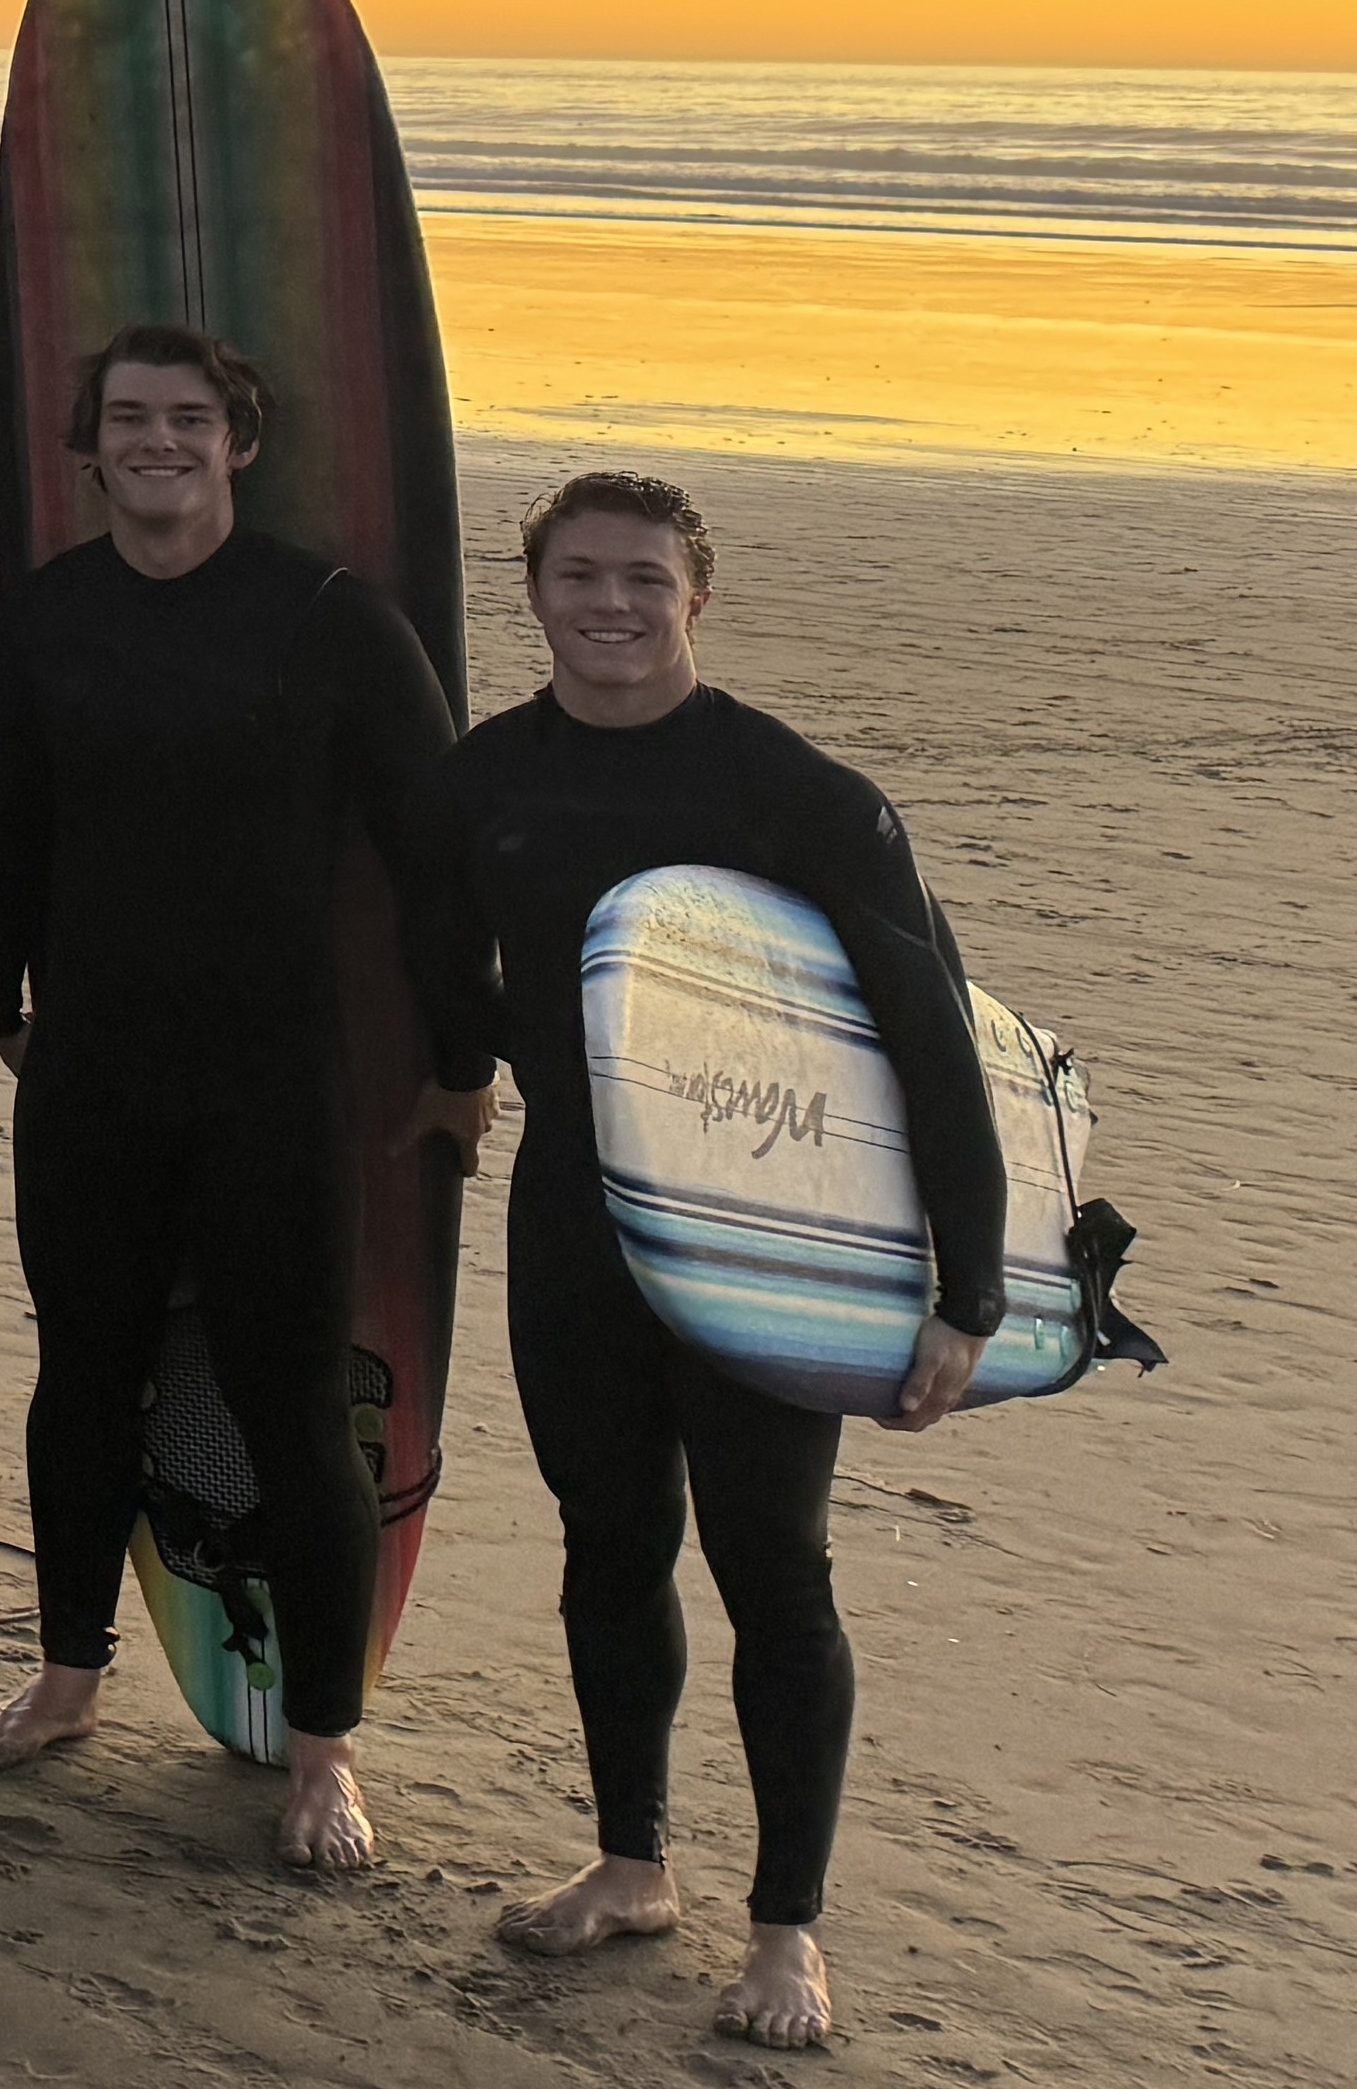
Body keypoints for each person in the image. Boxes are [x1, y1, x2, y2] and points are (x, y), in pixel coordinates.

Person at [439, 474, 1007, 2052]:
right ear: (530, 585)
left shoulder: (792, 791)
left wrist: (962, 1290)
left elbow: (928, 1037)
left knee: (772, 1568)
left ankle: (783, 1930)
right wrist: (451, 1065)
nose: (604, 605)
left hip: (768, 1233)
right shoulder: (488, 772)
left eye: (639, 578)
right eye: (574, 575)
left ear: (698, 595)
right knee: (603, 1542)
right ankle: (629, 1860)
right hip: (573, 1214)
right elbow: (447, 956)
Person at [0, 324, 493, 1868]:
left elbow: (432, 857)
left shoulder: (328, 620)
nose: (157, 442)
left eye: (187, 418)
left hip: (268, 1078)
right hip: (93, 1069)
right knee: (82, 1370)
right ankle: (65, 1675)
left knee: (287, 1403)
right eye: (127, 416)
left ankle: (321, 1748)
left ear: (237, 442)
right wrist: (0, 993)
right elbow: (7, 817)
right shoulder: (39, 619)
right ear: (86, 440)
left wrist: (463, 1058)